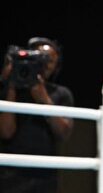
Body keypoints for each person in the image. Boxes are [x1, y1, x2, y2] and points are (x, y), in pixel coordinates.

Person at [0, 37, 74, 193]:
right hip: (8, 175)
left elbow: (63, 133)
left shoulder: (61, 94)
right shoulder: (8, 91)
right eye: (39, 58)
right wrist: (12, 85)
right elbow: (6, 132)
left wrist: (44, 98)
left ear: (56, 66)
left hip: (44, 176)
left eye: (49, 61)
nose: (43, 64)